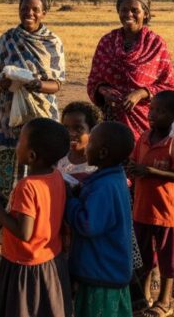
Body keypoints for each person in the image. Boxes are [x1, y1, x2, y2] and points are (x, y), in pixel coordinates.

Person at [0, 118, 73, 317]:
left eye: (20, 141)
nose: (16, 145)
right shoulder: (57, 176)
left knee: (21, 308)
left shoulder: (27, 186)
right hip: (48, 259)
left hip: (23, 264)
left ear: (32, 156)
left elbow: (24, 232)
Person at [0, 0, 66, 200]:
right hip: (8, 119)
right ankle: (5, 227)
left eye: (35, 10)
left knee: (40, 175)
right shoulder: (7, 39)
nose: (29, 13)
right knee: (6, 180)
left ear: (44, 13)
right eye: (24, 9)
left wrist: (36, 84)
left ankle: (35, 226)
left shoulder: (53, 43)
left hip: (42, 117)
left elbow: (57, 84)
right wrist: (2, 84)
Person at [67, 122, 137, 317]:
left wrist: (70, 202)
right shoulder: (111, 177)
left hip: (101, 274)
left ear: (103, 152)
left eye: (91, 144)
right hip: (108, 271)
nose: (86, 148)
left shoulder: (105, 186)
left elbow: (88, 224)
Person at [128, 90, 174, 317]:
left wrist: (149, 171)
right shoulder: (143, 137)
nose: (152, 114)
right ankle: (144, 297)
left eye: (160, 111)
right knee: (142, 257)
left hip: (166, 211)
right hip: (142, 208)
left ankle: (165, 299)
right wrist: (132, 169)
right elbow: (134, 162)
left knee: (166, 258)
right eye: (151, 109)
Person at [87, 0, 174, 138]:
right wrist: (103, 91)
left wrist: (141, 93)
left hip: (145, 121)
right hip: (111, 121)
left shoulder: (156, 44)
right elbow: (93, 81)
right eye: (124, 10)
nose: (128, 14)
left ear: (145, 14)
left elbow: (169, 87)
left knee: (141, 158)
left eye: (135, 10)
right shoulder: (107, 41)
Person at [56, 101, 102, 182]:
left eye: (78, 128)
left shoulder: (98, 167)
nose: (70, 133)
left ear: (92, 130)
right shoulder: (59, 158)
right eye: (66, 128)